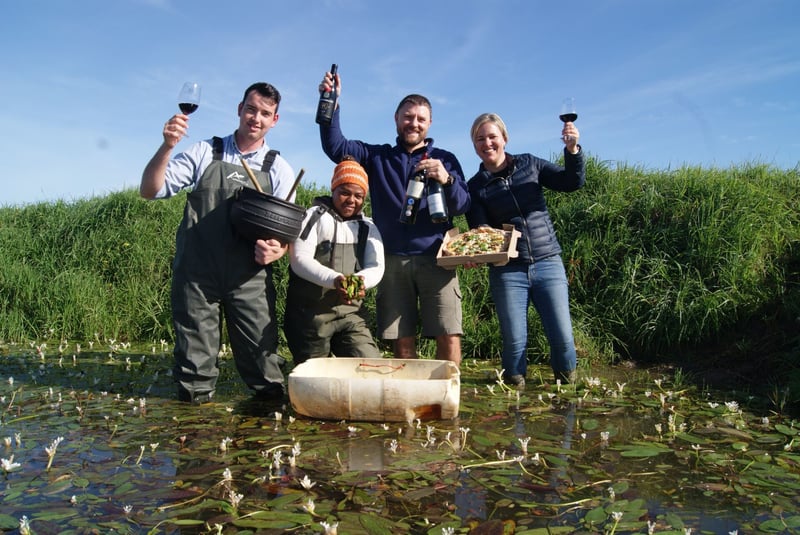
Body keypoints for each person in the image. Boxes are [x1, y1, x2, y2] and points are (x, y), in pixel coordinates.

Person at [140, 82, 295, 403]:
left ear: (275, 120)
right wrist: (167, 146)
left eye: (265, 113)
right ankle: (195, 436)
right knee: (194, 372)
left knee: (264, 367)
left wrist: (277, 251)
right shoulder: (203, 152)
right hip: (197, 277)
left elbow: (290, 234)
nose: (256, 118)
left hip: (249, 279)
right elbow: (150, 190)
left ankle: (267, 436)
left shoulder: (278, 168)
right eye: (251, 109)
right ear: (239, 109)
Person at [317, 69, 471, 366]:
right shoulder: (378, 157)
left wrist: (447, 179)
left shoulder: (446, 159)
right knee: (402, 340)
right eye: (408, 117)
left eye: (420, 119)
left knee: (448, 334)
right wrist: (331, 103)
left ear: (429, 124)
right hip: (391, 260)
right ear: (397, 119)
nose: (414, 123)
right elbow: (335, 147)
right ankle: (411, 404)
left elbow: (463, 204)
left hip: (436, 258)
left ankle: (448, 399)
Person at [465, 113, 585, 387]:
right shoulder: (475, 187)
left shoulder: (530, 164)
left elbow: (571, 182)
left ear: (504, 139)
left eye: (493, 136)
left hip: (547, 261)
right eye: (480, 139)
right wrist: (475, 251)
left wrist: (572, 150)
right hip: (508, 270)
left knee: (563, 336)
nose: (488, 143)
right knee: (514, 340)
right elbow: (480, 227)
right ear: (475, 145)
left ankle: (567, 393)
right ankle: (514, 397)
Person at [284, 156, 385, 362]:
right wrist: (335, 280)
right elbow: (299, 259)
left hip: (351, 315)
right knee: (313, 381)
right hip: (311, 316)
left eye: (358, 195)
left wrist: (361, 282)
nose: (351, 200)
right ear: (333, 190)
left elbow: (376, 266)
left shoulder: (368, 227)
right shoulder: (314, 217)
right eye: (344, 192)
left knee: (369, 365)